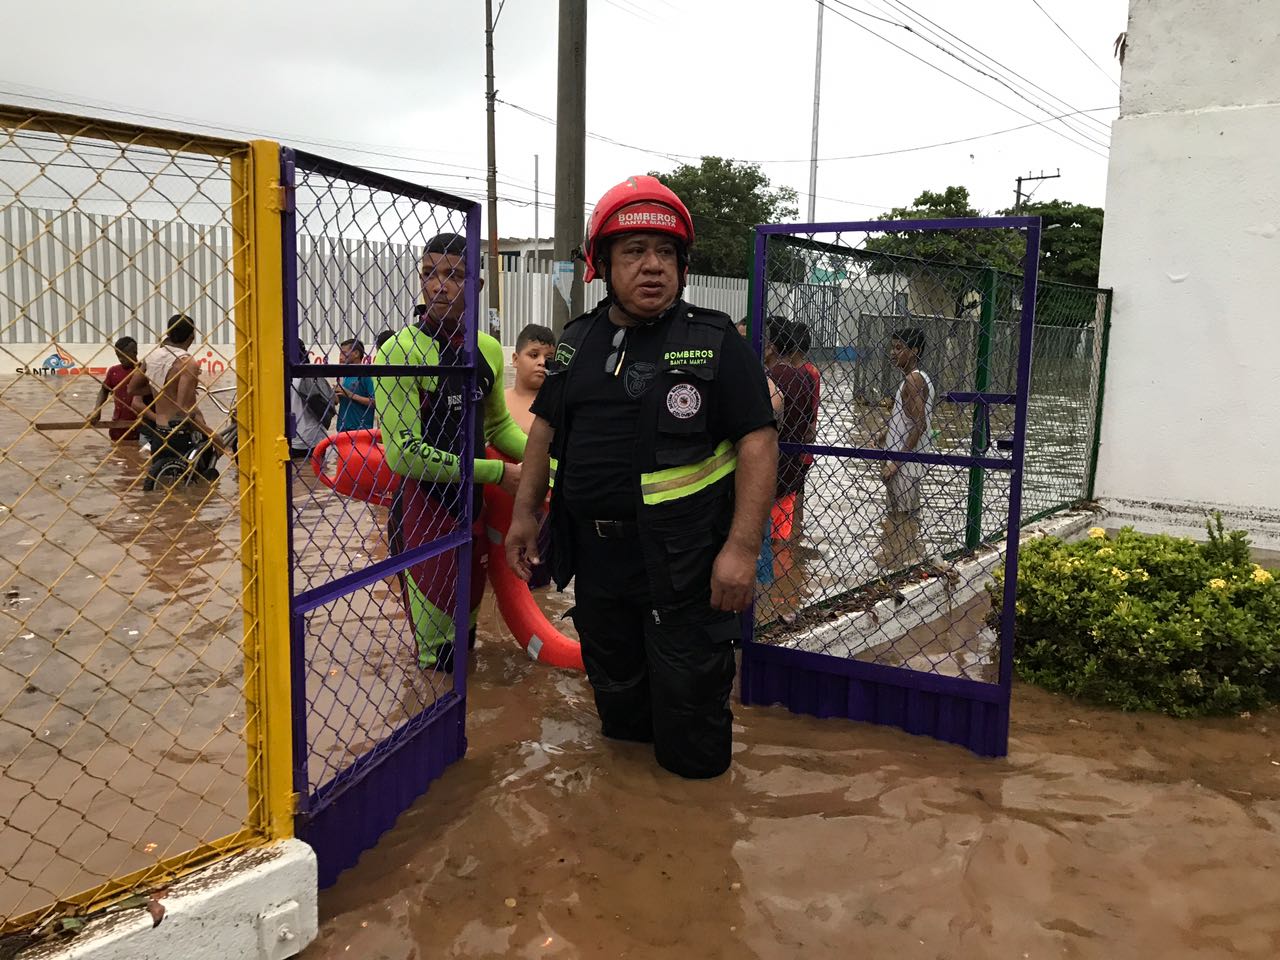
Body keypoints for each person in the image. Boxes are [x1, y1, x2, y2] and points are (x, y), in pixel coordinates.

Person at [506, 175, 777, 780]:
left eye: (665, 253)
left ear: (682, 265)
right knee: (619, 721)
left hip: (686, 570)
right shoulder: (575, 343)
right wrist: (526, 515)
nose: (652, 266)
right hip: (600, 572)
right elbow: (545, 430)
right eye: (634, 252)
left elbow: (759, 440)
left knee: (693, 739)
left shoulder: (714, 344)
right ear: (601, 264)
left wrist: (742, 549)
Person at [375, 232, 527, 672]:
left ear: (476, 285)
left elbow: (497, 426)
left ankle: (474, 736)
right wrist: (499, 476)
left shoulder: (488, 350)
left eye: (453, 275)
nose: (438, 285)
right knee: (437, 659)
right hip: (425, 517)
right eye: (429, 274)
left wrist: (547, 461)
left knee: (468, 644)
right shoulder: (398, 351)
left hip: (473, 514)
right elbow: (404, 455)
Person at [128, 314, 219, 485]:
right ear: (192, 336)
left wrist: (160, 386)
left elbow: (132, 389)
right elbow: (184, 411)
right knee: (198, 486)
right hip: (184, 435)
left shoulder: (152, 357)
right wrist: (214, 437)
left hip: (160, 431)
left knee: (165, 486)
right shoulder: (188, 363)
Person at [877, 327, 935, 569]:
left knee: (899, 519)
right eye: (893, 347)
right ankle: (904, 561)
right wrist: (884, 434)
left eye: (899, 348)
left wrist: (895, 463)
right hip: (909, 463)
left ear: (915, 351)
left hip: (904, 467)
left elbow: (919, 425)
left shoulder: (912, 380)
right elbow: (913, 420)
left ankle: (899, 565)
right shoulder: (920, 378)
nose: (893, 353)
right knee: (904, 520)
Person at [766, 319, 818, 546]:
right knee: (783, 539)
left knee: (762, 540)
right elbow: (809, 427)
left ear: (771, 347)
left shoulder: (767, 378)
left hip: (766, 468)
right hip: (792, 466)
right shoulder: (805, 377)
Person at [89, 335, 148, 442]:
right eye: (118, 355)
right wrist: (97, 410)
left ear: (134, 353)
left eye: (123, 356)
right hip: (117, 426)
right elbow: (104, 390)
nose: (120, 359)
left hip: (141, 427)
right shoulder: (114, 371)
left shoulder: (144, 372)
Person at [505, 324, 556, 435]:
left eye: (549, 358)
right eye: (534, 355)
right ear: (515, 359)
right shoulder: (498, 401)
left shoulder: (555, 405)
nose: (542, 362)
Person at [291, 342, 334, 460]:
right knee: (315, 474)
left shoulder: (278, 379)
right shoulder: (313, 375)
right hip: (314, 438)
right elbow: (331, 401)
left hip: (290, 438)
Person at [334, 338, 375, 432]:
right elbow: (341, 399)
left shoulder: (366, 375)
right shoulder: (346, 375)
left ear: (356, 353)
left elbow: (375, 402)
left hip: (360, 430)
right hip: (343, 428)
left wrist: (350, 394)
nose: (340, 357)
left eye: (343, 353)